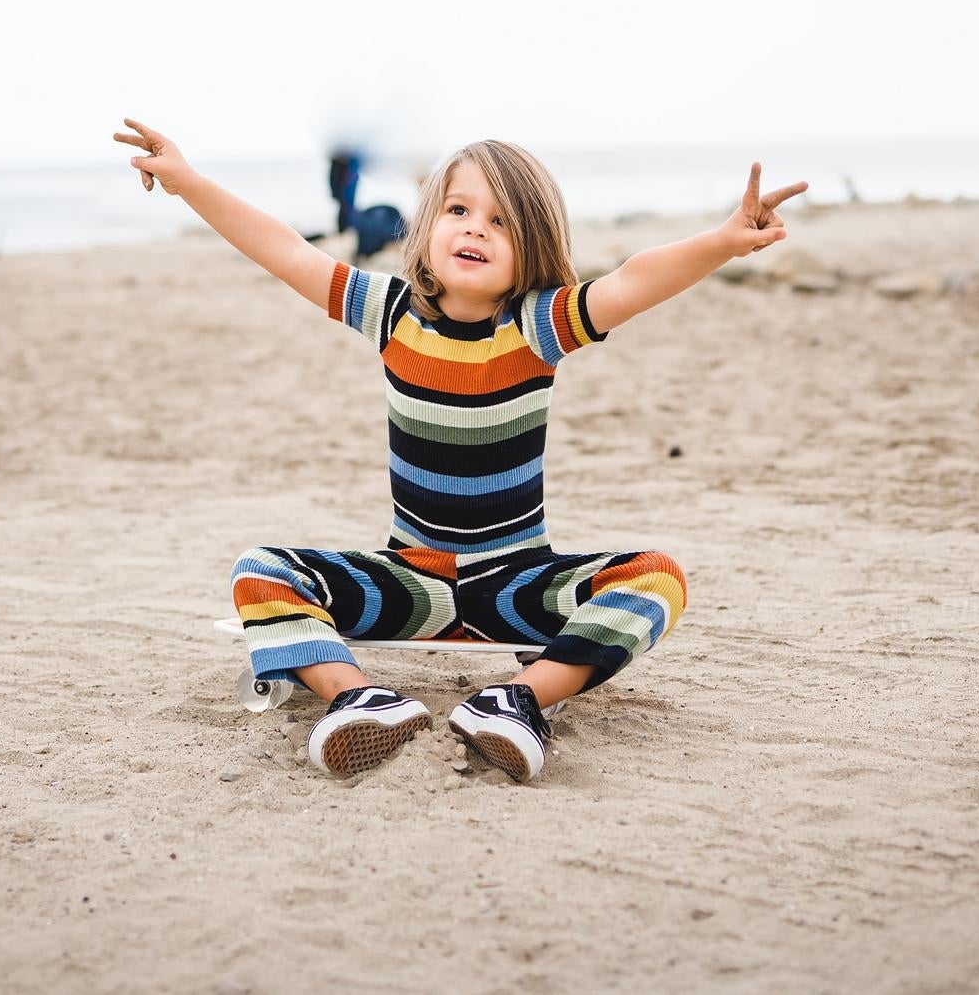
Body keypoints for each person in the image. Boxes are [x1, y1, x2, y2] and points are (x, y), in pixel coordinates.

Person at [114, 119, 805, 782]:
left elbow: (631, 280)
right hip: (412, 581)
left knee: (657, 578)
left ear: (530, 246)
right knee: (259, 570)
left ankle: (519, 699)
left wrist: (723, 241)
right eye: (459, 209)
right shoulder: (387, 312)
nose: (476, 226)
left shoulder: (541, 326)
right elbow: (287, 249)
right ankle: (359, 698)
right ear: (429, 226)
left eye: (502, 221)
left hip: (514, 585)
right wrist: (188, 182)